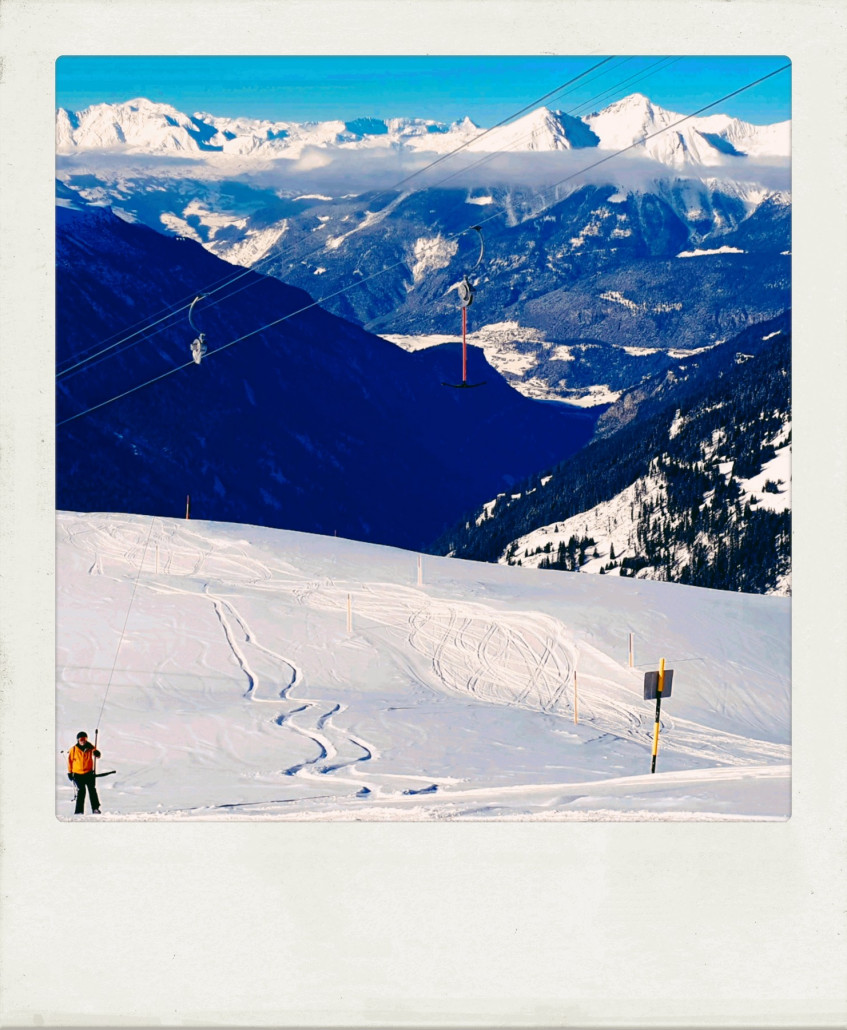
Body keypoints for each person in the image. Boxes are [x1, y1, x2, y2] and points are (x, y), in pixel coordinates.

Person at [67, 731, 102, 815]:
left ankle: (95, 808)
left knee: (92, 790)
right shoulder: (74, 749)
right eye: (81, 739)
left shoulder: (90, 747)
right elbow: (70, 761)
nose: (83, 741)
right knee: (81, 791)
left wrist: (97, 754)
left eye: (84, 739)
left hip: (89, 773)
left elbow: (96, 754)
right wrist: (70, 772)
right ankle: (79, 811)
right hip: (77, 774)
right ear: (78, 740)